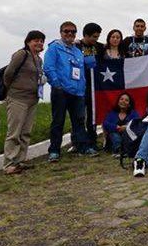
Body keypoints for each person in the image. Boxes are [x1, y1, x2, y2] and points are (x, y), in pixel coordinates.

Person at [44, 22, 95, 161]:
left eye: (73, 32)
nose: (70, 34)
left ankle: (82, 146)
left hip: (78, 92)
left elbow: (85, 69)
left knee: (79, 121)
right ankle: (54, 150)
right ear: (61, 32)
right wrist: (57, 84)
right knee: (58, 121)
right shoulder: (54, 48)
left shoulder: (78, 51)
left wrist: (83, 88)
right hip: (61, 91)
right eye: (67, 31)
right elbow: (48, 67)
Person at [2, 30, 46, 174]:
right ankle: (9, 164)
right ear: (28, 41)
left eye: (41, 41)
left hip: (32, 99)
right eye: (36, 40)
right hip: (17, 98)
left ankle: (20, 160)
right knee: (14, 132)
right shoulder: (21, 54)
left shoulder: (39, 59)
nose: (39, 43)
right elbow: (8, 74)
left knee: (26, 132)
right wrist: (13, 89)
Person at [75, 22, 103, 153]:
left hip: (94, 88)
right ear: (85, 35)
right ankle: (78, 142)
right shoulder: (76, 45)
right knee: (79, 116)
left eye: (97, 37)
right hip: (79, 86)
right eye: (93, 37)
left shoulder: (99, 47)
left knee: (92, 116)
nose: (95, 39)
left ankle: (92, 141)